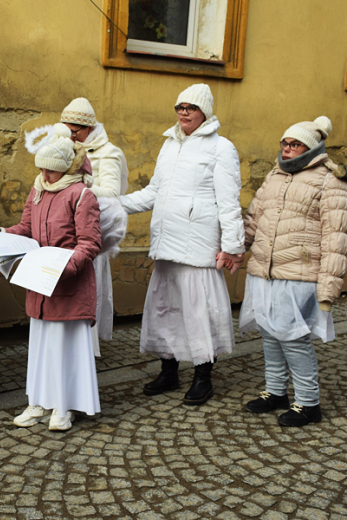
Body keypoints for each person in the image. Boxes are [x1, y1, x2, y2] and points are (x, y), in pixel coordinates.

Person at [118, 83, 245, 405]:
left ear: (205, 112)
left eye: (191, 107)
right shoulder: (170, 145)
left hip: (198, 247)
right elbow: (153, 192)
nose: (184, 112)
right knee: (166, 310)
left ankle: (203, 377)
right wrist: (111, 203)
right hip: (167, 245)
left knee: (198, 313)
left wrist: (232, 246)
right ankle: (169, 370)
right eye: (180, 107)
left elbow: (229, 202)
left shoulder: (221, 148)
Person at [240, 116, 347, 427]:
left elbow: (336, 237)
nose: (288, 149)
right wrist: (239, 249)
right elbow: (254, 218)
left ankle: (308, 402)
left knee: (292, 337)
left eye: (295, 144)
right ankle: (276, 392)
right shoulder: (275, 176)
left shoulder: (331, 180)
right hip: (265, 269)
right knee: (269, 333)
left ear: (312, 147)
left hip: (301, 272)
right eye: (285, 143)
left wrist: (329, 287)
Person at [5, 123, 102, 431]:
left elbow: (89, 243)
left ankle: (63, 405)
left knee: (63, 347)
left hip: (68, 285)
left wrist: (68, 265)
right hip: (40, 283)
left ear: (64, 169)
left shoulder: (82, 194)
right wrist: (0, 237)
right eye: (42, 169)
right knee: (41, 347)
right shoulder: (38, 191)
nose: (45, 176)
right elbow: (25, 228)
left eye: (51, 171)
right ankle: (38, 401)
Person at [60, 97, 129, 356]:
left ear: (88, 128)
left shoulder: (109, 152)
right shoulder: (65, 146)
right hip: (65, 231)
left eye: (73, 131)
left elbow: (112, 193)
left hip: (90, 231)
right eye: (65, 130)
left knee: (87, 292)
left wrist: (77, 183)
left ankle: (86, 349)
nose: (69, 136)